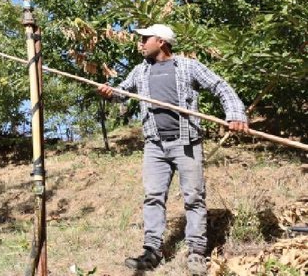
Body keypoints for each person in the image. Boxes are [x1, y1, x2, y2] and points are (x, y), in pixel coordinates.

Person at [97, 24, 249, 276]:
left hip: (186, 143)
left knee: (193, 198)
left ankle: (196, 253)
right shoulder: (140, 71)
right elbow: (121, 94)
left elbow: (220, 86)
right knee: (153, 197)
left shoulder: (187, 66)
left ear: (161, 41)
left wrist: (235, 114)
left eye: (146, 39)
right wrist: (108, 93)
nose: (141, 43)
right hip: (154, 145)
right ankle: (152, 251)